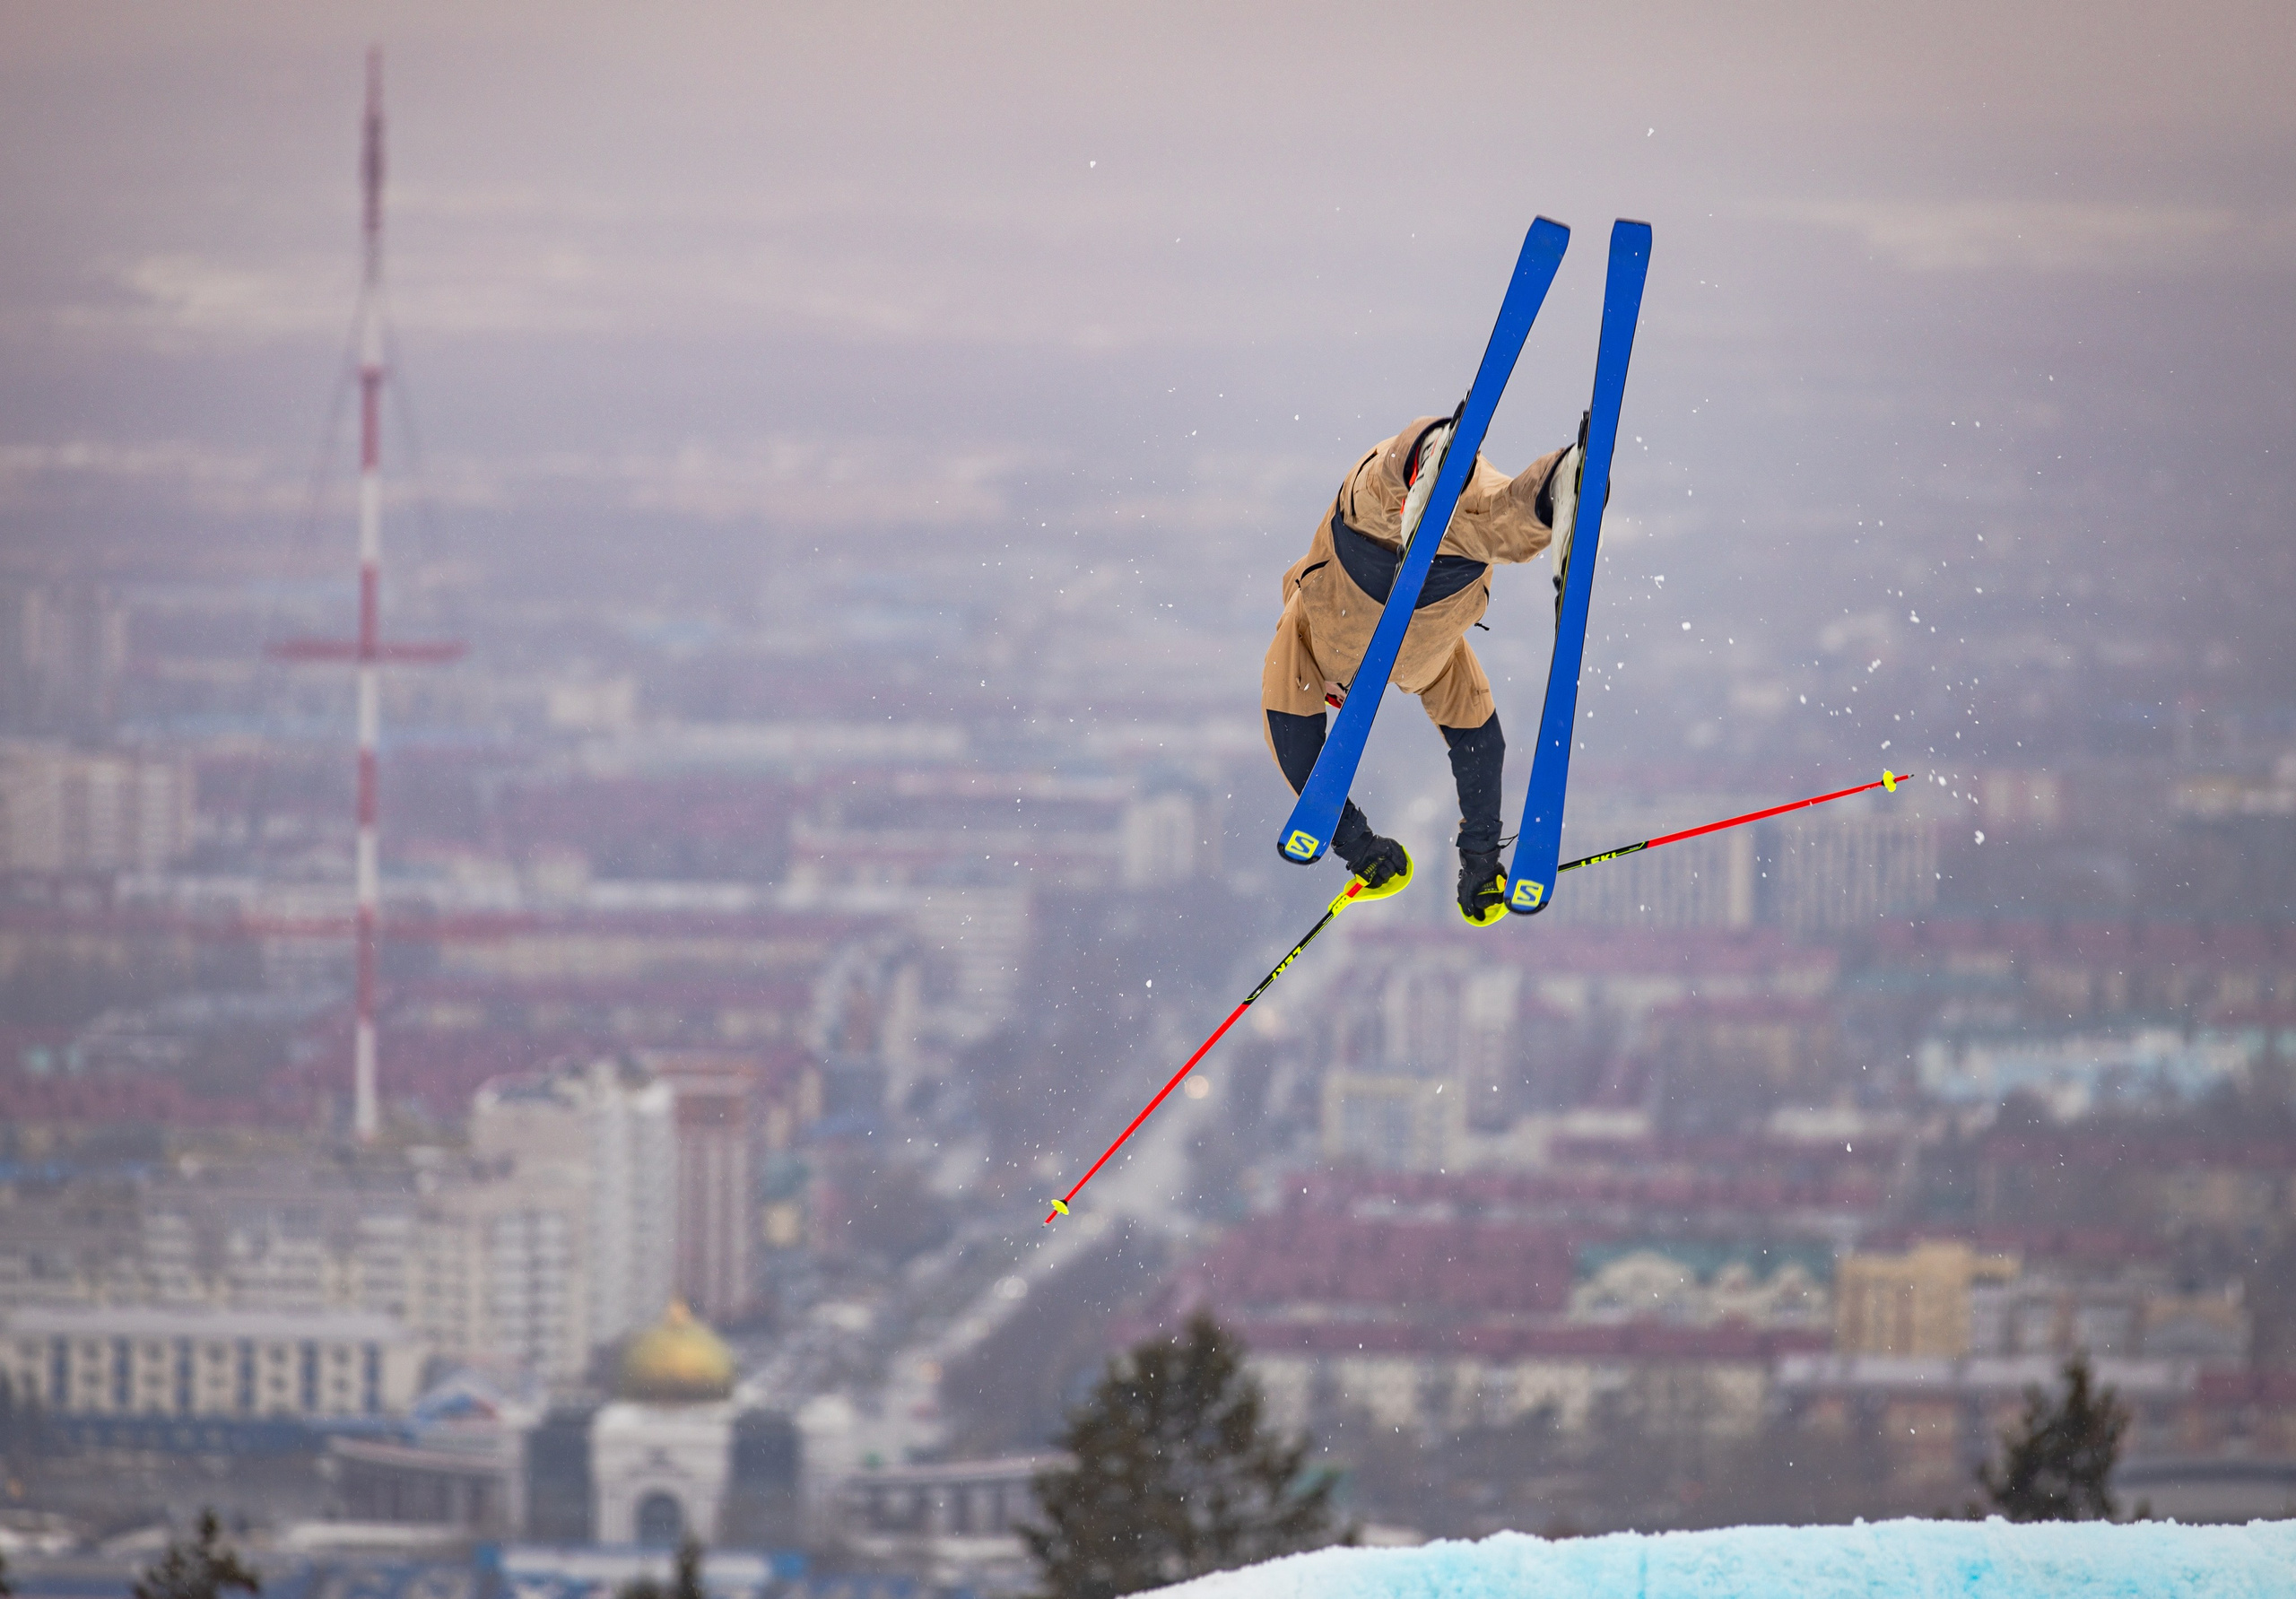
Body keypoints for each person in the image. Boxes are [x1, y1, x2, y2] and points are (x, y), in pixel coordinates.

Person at [1261, 413, 1582, 925]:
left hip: (1358, 557)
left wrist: (1355, 843)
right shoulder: (1432, 668)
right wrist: (1479, 860)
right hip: (1449, 581)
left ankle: (1424, 458)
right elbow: (1477, 737)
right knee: (1505, 524)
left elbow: (1291, 729)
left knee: (1378, 496)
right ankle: (1555, 492)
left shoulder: (1300, 622)